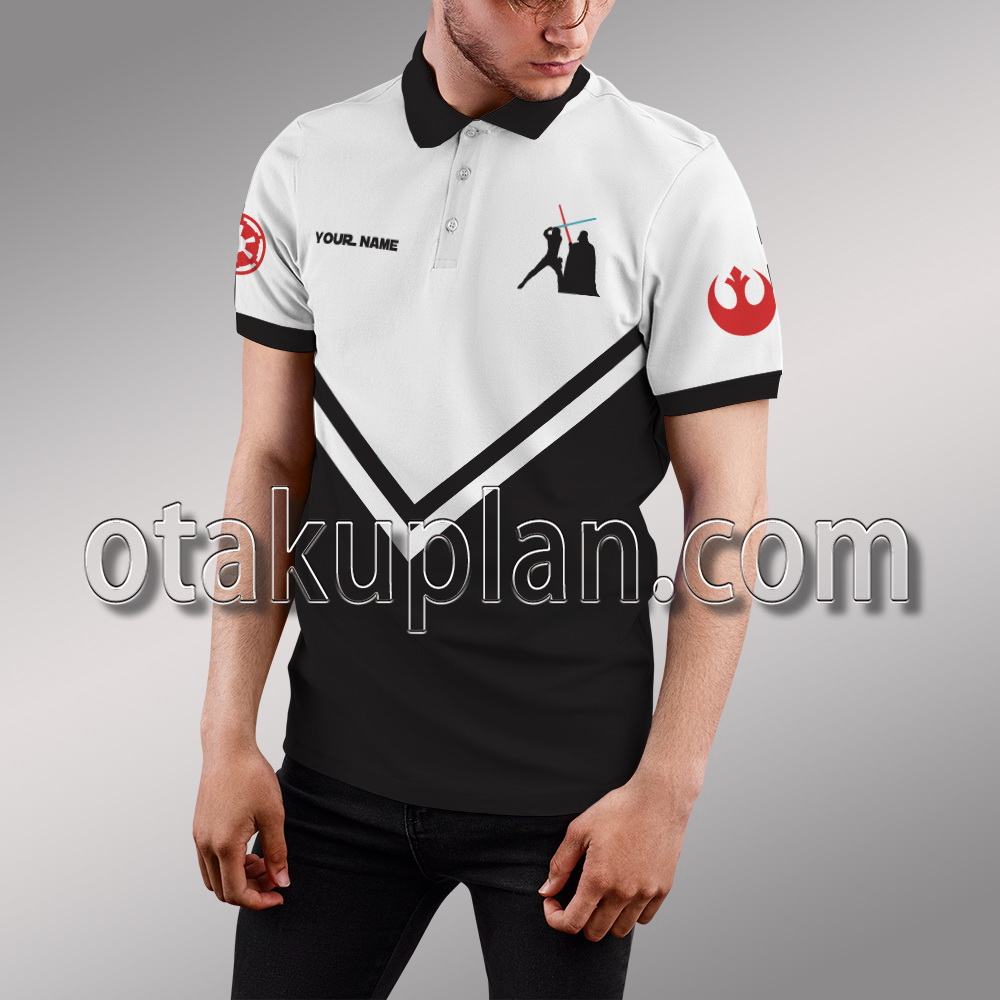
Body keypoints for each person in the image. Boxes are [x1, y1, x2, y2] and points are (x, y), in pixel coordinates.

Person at [193, 1, 783, 998]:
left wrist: (667, 789)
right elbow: (270, 458)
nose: (571, 21)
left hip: (570, 810)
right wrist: (226, 737)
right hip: (330, 784)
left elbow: (729, 503)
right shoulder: (307, 162)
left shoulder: (677, 181)